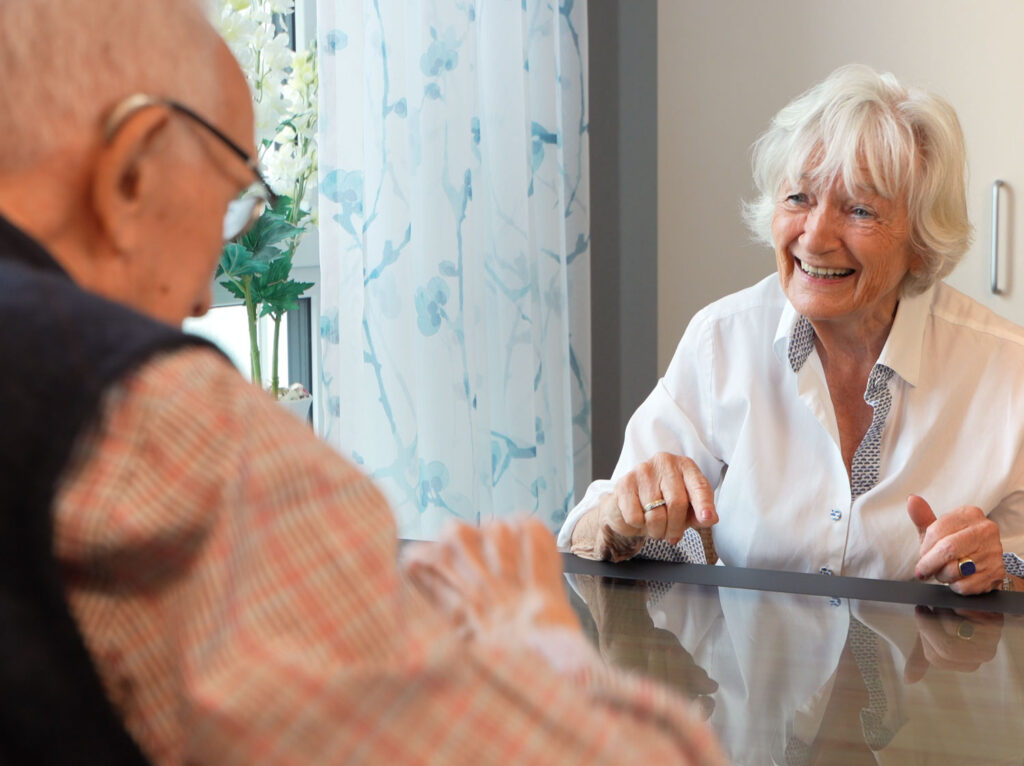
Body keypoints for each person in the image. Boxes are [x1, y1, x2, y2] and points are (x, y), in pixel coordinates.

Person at [0, 1, 725, 763]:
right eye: (225, 207)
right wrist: (537, 646)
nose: (198, 300)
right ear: (132, 173)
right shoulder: (168, 428)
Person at [559, 64, 1024, 596]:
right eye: (799, 198)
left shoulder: (1008, 370)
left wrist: (1000, 570)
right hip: (753, 678)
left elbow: (1017, 569)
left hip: (928, 679)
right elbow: (594, 531)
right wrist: (625, 517)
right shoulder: (721, 341)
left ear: (921, 239)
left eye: (860, 209)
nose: (816, 237)